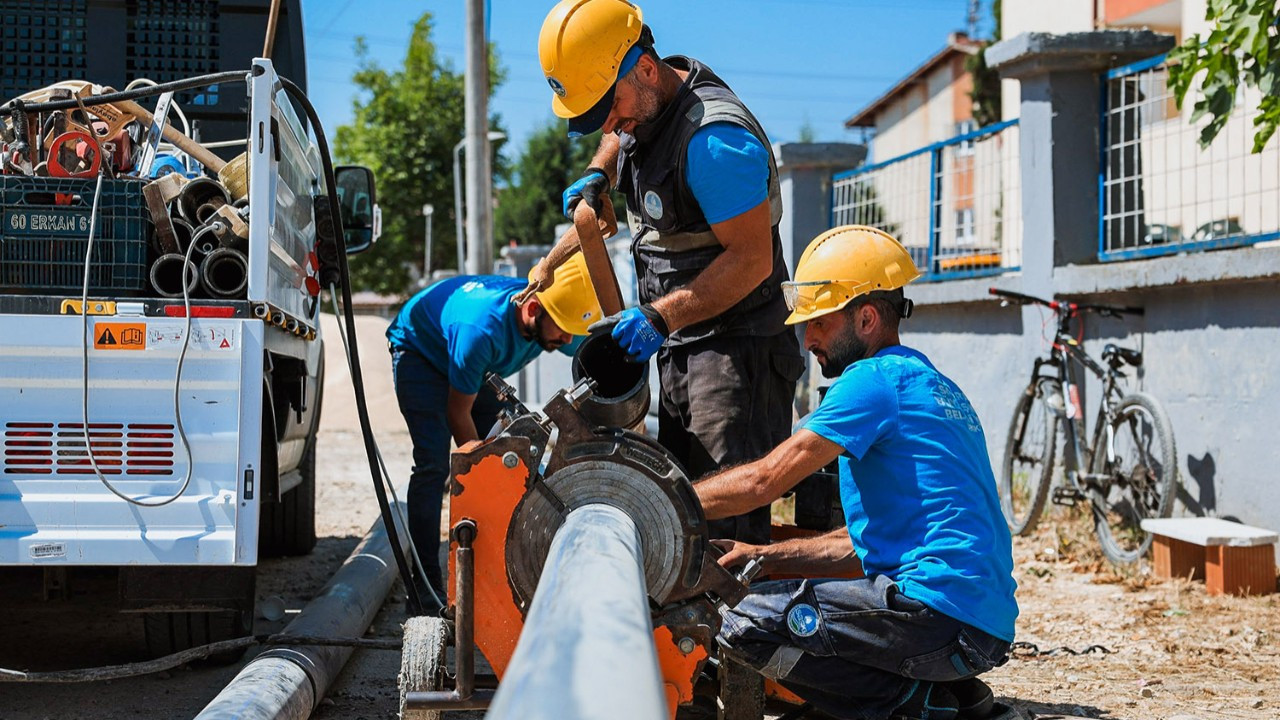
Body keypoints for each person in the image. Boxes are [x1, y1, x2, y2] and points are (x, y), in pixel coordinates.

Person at [692, 226, 1019, 720]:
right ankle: (955, 695)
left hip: (937, 617)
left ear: (865, 318)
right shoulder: (934, 385)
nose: (808, 339)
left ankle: (922, 707)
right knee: (772, 606)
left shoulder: (871, 382)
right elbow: (866, 545)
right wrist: (764, 555)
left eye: (820, 322)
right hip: (977, 631)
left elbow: (765, 481)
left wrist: (667, 501)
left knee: (741, 623)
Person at [537, 0, 803, 546]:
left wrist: (660, 315)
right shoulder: (647, 102)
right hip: (686, 344)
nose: (609, 126)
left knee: (725, 523)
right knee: (683, 507)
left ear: (646, 68)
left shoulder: (714, 143)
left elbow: (750, 261)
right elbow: (621, 134)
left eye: (610, 110)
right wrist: (597, 175)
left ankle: (739, 630)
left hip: (737, 357)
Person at [386, 252, 602, 609]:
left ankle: (504, 576)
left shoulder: (551, 313)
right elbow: (459, 413)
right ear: (532, 310)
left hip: (470, 363)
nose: (567, 341)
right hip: (421, 353)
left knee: (508, 458)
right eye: (563, 330)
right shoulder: (481, 330)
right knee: (435, 464)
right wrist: (481, 470)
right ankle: (423, 589)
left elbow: (589, 355)